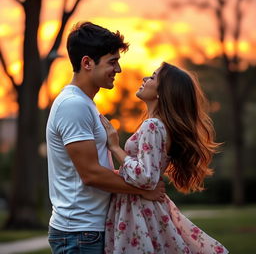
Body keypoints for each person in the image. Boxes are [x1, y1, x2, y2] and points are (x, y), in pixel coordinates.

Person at [46, 22, 165, 254]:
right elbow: (90, 174)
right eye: (112, 62)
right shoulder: (74, 105)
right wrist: (142, 189)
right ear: (87, 63)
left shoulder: (85, 103)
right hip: (80, 234)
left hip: (88, 230)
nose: (118, 70)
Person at [100, 62, 229, 254]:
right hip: (141, 206)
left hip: (138, 211)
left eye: (152, 77)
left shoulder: (153, 125)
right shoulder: (158, 125)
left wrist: (115, 147)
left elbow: (146, 178)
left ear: (163, 92)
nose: (145, 79)